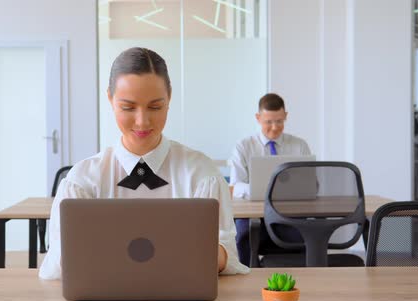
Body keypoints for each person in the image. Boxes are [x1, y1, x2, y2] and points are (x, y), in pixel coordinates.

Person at [39, 47, 249, 279]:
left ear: (169, 97)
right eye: (128, 107)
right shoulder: (83, 180)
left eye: (155, 107)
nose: (142, 121)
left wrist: (203, 254)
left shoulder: (201, 173)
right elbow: (57, 267)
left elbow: (228, 255)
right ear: (110, 98)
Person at [229, 93, 312, 266]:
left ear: (286, 117)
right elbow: (235, 186)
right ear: (258, 118)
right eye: (269, 122)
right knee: (243, 232)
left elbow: (310, 185)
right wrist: (257, 190)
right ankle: (248, 276)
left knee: (309, 232)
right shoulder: (243, 146)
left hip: (290, 215)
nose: (274, 127)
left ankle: (301, 278)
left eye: (279, 121)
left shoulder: (299, 145)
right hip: (254, 217)